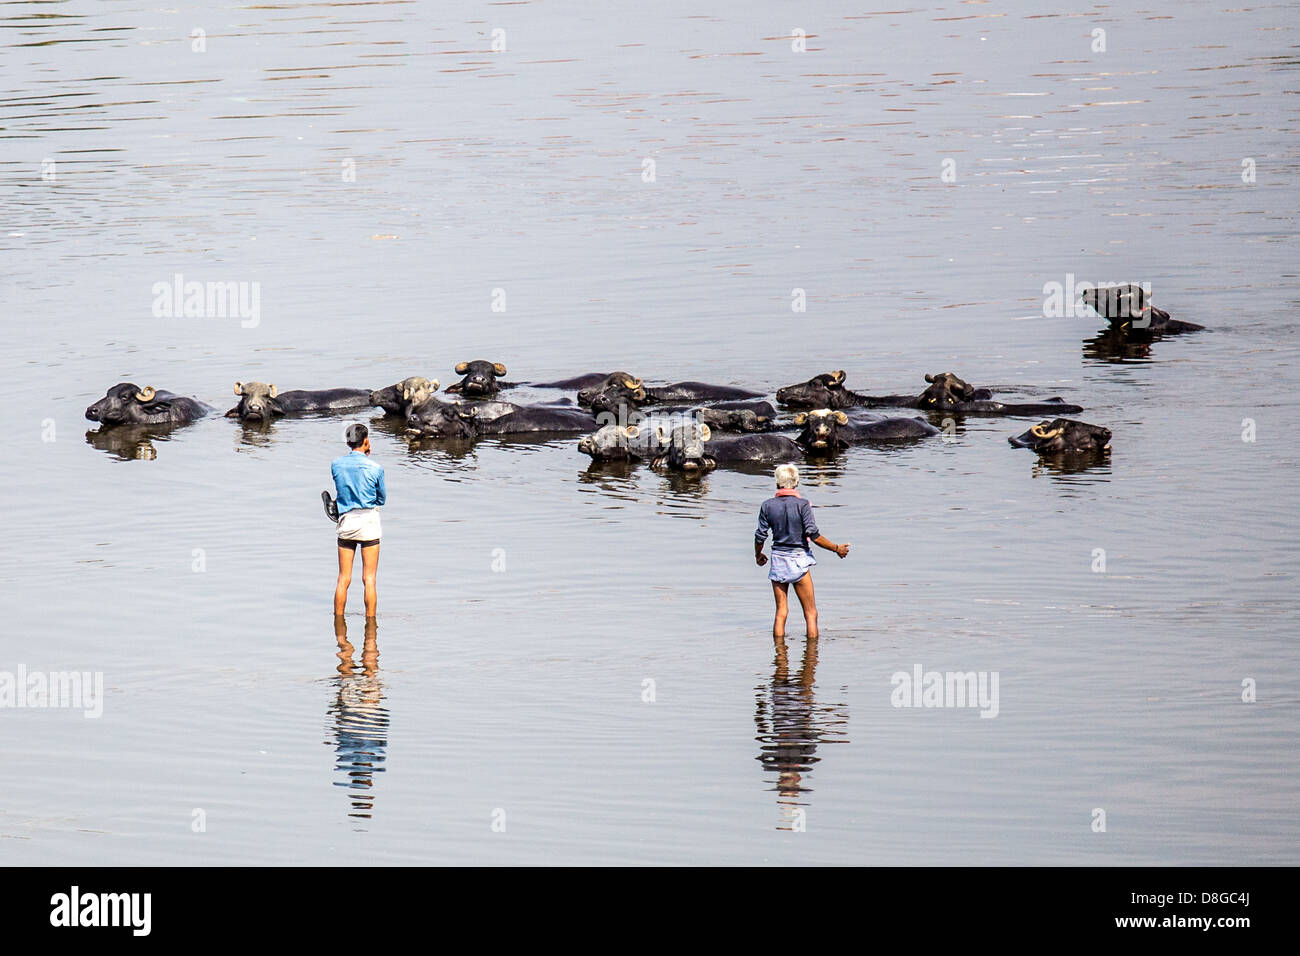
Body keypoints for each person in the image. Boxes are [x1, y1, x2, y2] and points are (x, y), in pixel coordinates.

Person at [754, 464, 849, 638]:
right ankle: (811, 660)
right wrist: (836, 548)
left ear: (777, 483)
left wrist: (758, 555)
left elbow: (760, 536)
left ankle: (780, 660)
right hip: (799, 559)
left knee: (781, 612)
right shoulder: (803, 505)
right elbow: (813, 534)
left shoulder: (767, 506)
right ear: (796, 482)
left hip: (778, 559)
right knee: (810, 613)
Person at [324, 423, 386, 617]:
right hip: (368, 522)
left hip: (347, 521)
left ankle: (340, 630)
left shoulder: (336, 464)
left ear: (348, 442)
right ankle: (370, 635)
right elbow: (381, 499)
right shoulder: (376, 468)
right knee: (369, 579)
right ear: (366, 441)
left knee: (343, 578)